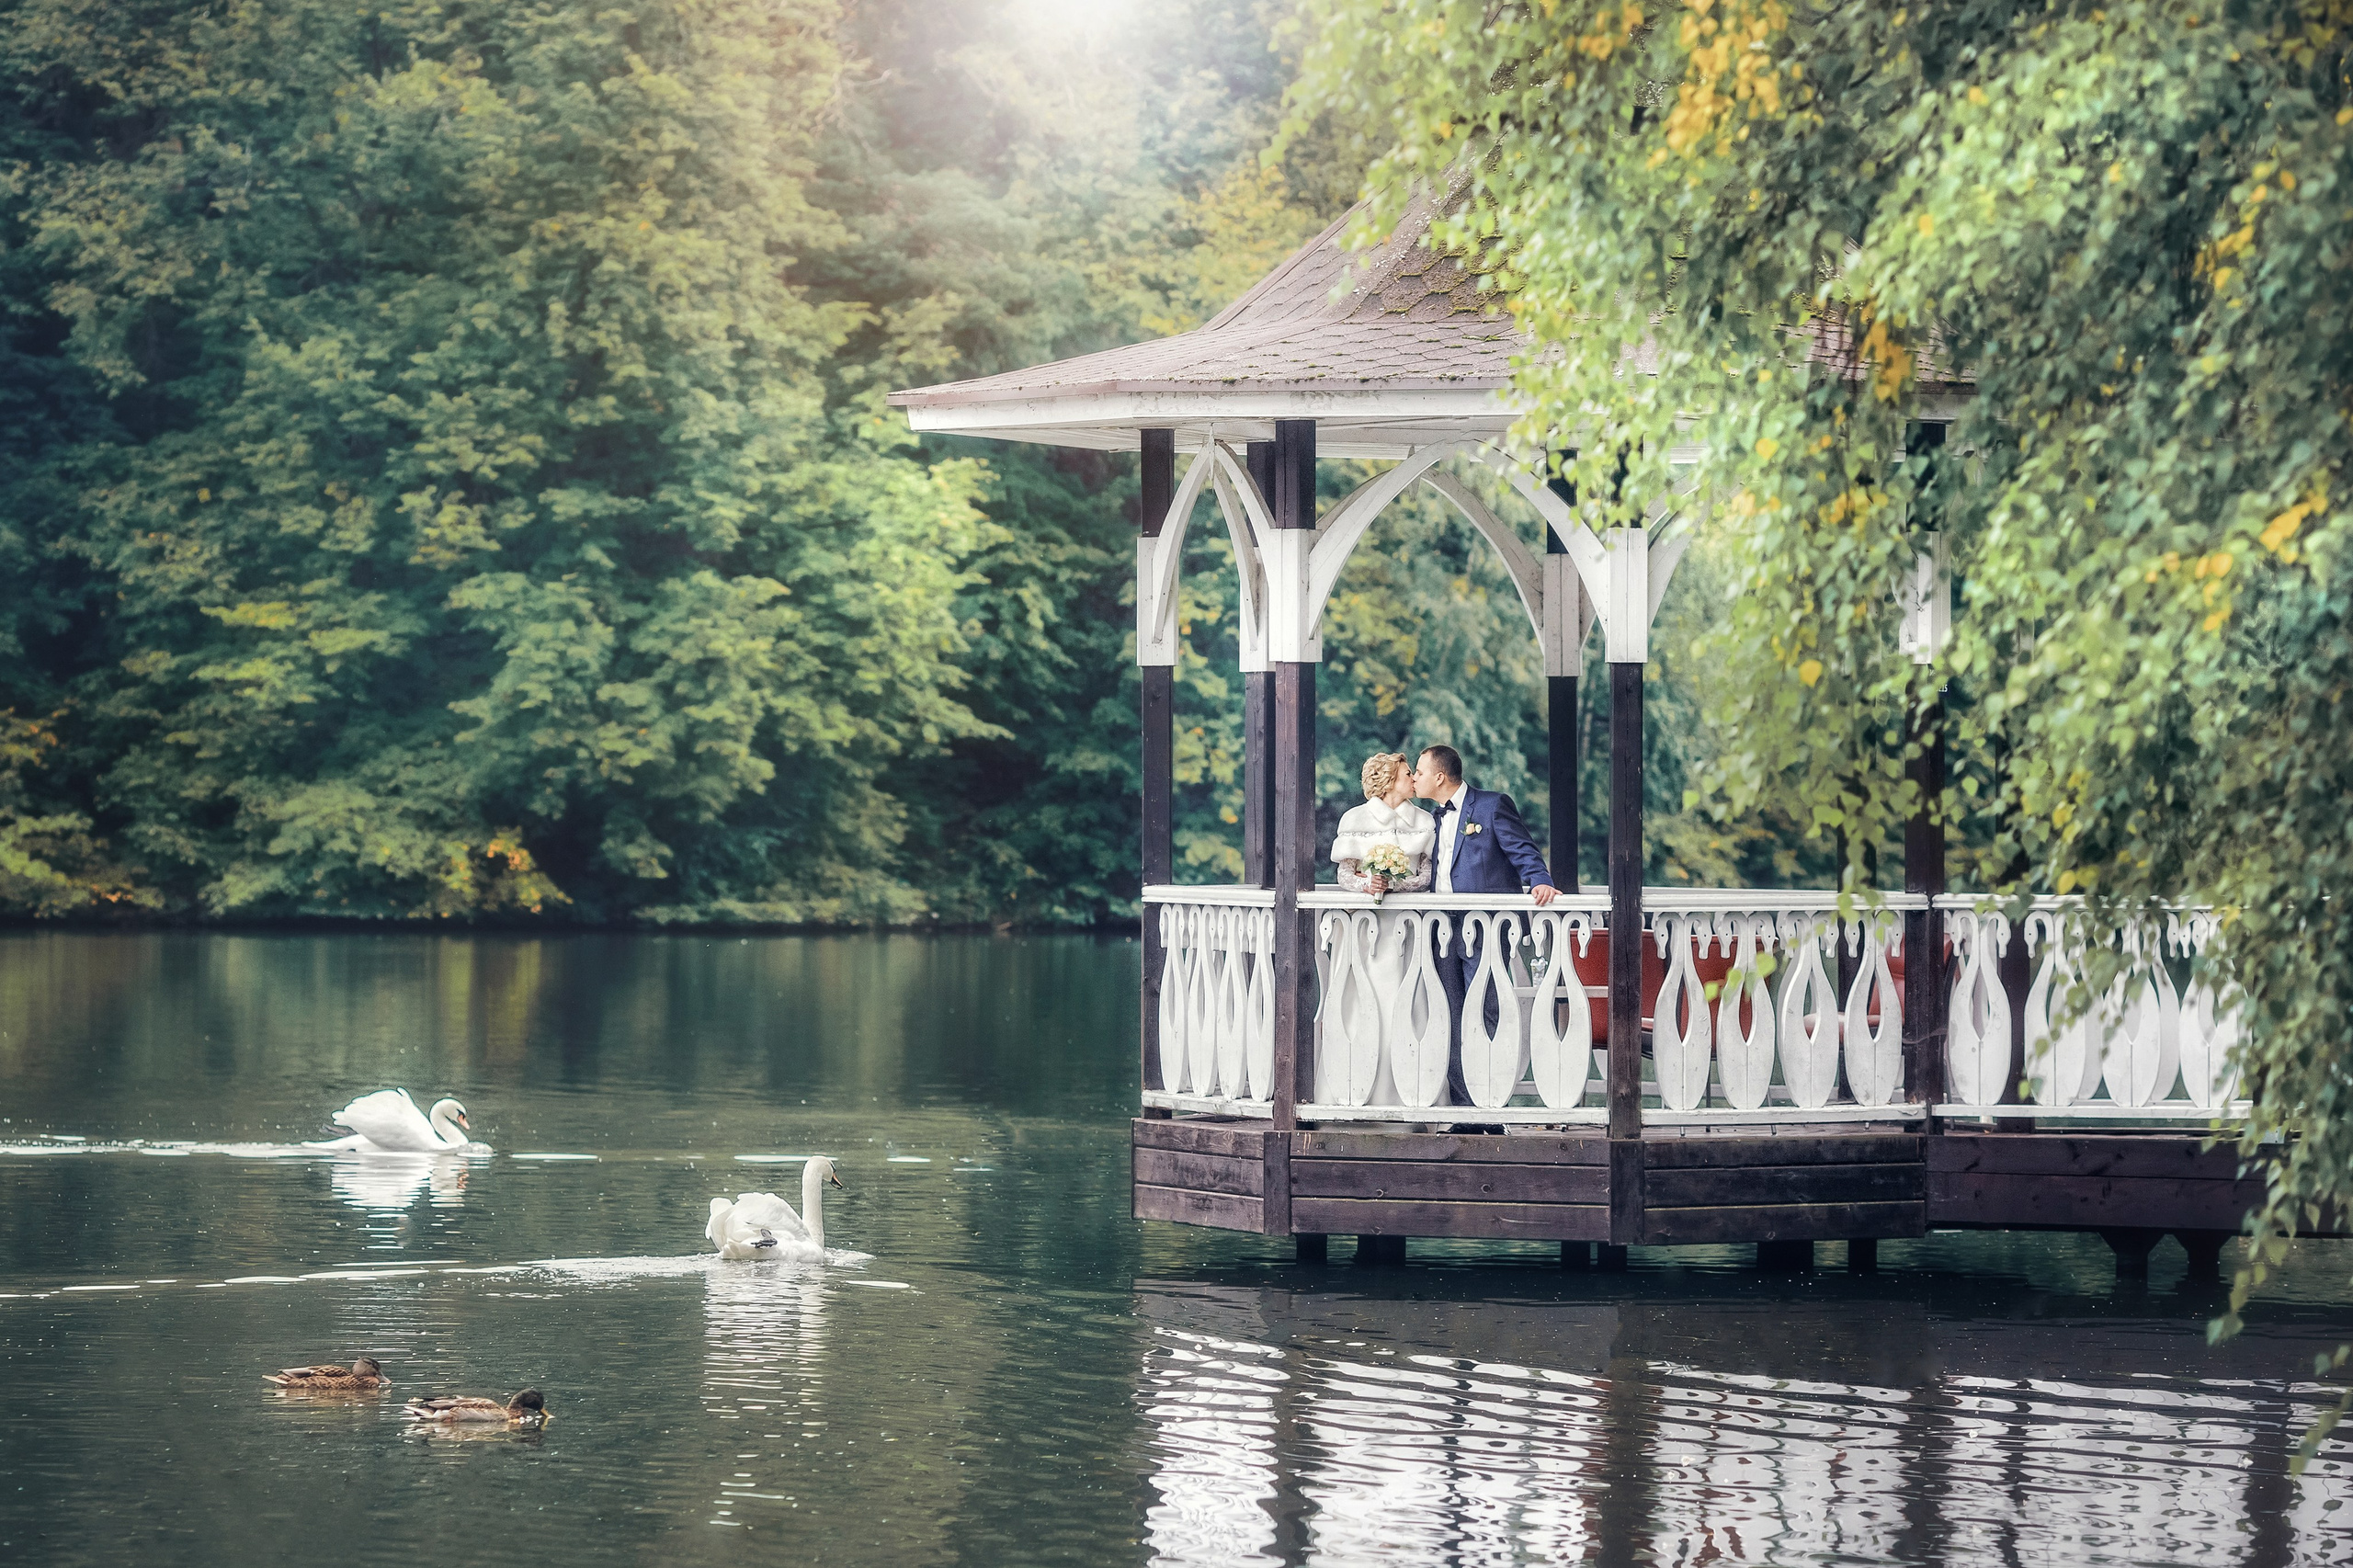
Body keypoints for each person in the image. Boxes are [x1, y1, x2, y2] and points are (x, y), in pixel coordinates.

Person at [1411, 744, 1558, 1112]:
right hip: (1442, 929)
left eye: (1420, 772)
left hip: (1488, 929)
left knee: (1488, 1011)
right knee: (1451, 1015)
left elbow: (1523, 850)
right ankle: (1465, 1110)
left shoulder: (1492, 806)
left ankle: (1491, 1104)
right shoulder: (1431, 818)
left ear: (1440, 777)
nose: (1415, 778)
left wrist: (1539, 880)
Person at [1329, 753, 1436, 1106]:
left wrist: (1394, 885)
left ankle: (1409, 1096)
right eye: (1409, 774)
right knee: (1359, 1006)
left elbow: (1425, 878)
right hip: (1363, 931)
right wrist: (1368, 885)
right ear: (1390, 780)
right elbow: (1344, 875)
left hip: (1405, 930)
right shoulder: (1355, 818)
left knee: (1407, 1006)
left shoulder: (1423, 821)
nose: (1415, 779)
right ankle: (1351, 1092)